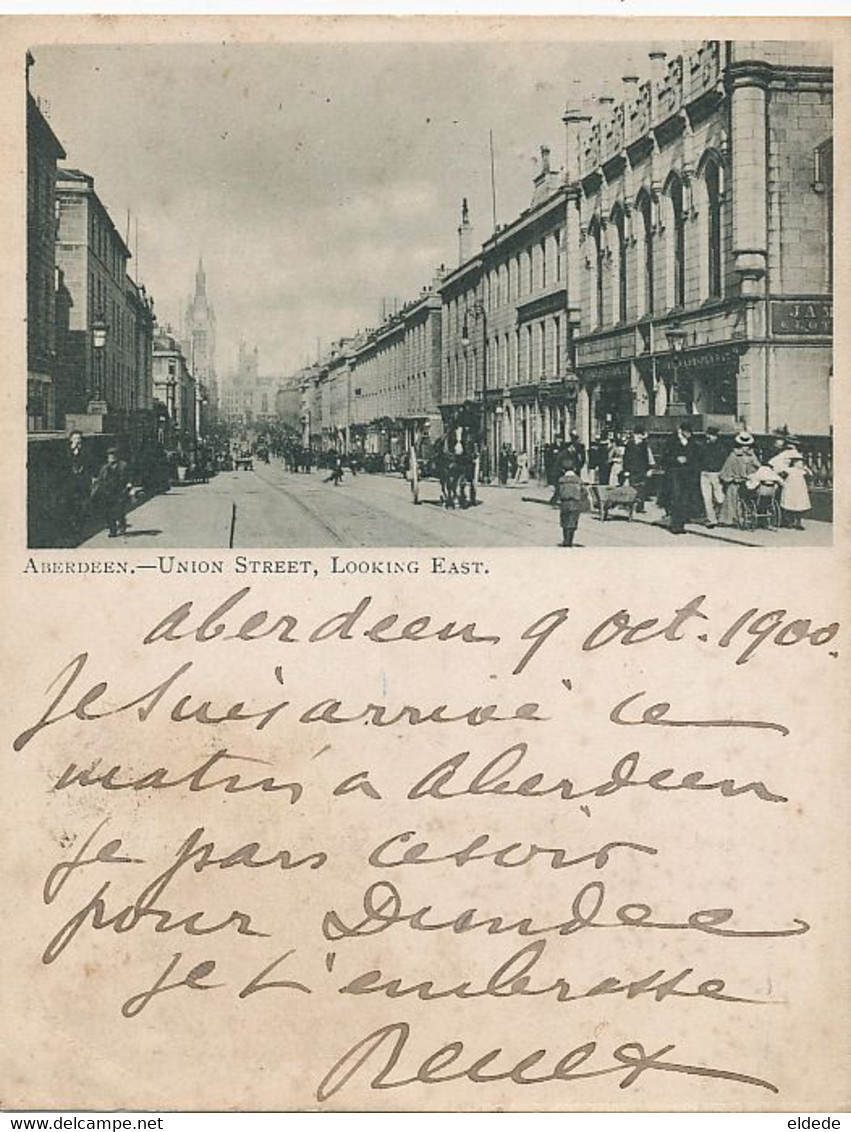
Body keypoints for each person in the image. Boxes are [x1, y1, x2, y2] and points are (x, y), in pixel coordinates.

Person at [719, 432, 760, 527]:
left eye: (747, 445)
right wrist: (731, 477)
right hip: (736, 481)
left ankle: (747, 517)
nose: (745, 447)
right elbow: (727, 468)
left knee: (750, 497)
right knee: (732, 498)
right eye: (743, 445)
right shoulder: (733, 455)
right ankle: (730, 519)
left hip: (749, 481)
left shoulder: (752, 456)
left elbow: (758, 467)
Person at [664, 423, 699, 534]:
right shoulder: (671, 441)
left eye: (690, 432)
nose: (689, 434)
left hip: (687, 474)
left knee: (685, 498)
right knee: (676, 497)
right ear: (682, 431)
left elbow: (696, 457)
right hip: (674, 473)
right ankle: (675, 525)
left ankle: (681, 525)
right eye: (687, 432)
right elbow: (664, 457)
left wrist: (688, 460)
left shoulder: (692, 442)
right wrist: (676, 459)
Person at [92, 447, 132, 538]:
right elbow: (100, 479)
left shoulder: (123, 465)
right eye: (110, 456)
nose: (112, 457)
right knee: (108, 512)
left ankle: (122, 523)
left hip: (120, 492)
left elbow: (129, 476)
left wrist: (129, 485)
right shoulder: (105, 468)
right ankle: (112, 530)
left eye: (114, 455)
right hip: (107, 493)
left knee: (119, 510)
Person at [65, 430, 94, 543]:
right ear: (71, 439)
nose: (77, 440)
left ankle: (80, 526)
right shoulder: (66, 451)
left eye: (79, 438)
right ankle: (72, 526)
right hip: (70, 483)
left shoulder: (86, 451)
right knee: (70, 504)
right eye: (75, 438)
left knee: (82, 504)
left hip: (83, 483)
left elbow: (90, 464)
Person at [698, 424, 727, 528]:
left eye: (712, 435)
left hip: (716, 474)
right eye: (709, 435)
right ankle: (711, 519)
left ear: (716, 436)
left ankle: (719, 516)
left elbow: (724, 461)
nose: (710, 437)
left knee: (719, 497)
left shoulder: (721, 447)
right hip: (705, 473)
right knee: (707, 498)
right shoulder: (703, 446)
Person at [554, 463, 588, 547]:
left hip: (565, 503)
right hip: (575, 503)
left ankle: (566, 540)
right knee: (572, 523)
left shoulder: (561, 480)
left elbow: (557, 492)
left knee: (564, 522)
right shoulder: (579, 480)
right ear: (574, 469)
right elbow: (584, 492)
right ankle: (570, 540)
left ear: (563, 470)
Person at [622, 427, 654, 512]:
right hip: (632, 470)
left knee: (641, 488)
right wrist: (626, 470)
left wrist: (650, 468)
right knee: (631, 487)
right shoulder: (630, 444)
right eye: (640, 435)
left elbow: (648, 457)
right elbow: (626, 458)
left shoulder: (645, 445)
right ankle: (630, 505)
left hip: (642, 469)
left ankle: (640, 506)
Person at [780, 450, 812, 529]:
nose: (800, 464)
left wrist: (807, 469)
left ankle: (798, 522)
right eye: (798, 462)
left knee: (799, 505)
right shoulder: (790, 470)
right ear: (794, 463)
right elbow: (782, 474)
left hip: (799, 490)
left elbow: (810, 475)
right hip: (790, 490)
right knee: (790, 505)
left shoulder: (802, 471)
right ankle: (789, 522)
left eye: (801, 462)